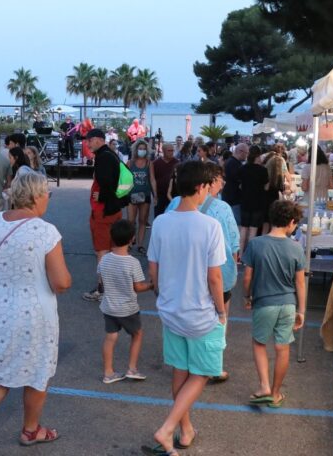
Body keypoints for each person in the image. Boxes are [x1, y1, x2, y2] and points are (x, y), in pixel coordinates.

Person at [0, 172, 71, 448]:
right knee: (37, 373)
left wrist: (0, 274)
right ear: (36, 196)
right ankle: (30, 430)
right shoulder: (45, 231)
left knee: (0, 366)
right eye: (46, 193)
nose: (48, 198)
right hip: (36, 313)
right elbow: (61, 282)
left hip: (0, 307)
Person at [146, 160, 226, 454]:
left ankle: (185, 429)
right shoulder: (209, 226)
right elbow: (214, 277)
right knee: (202, 373)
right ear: (201, 187)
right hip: (200, 312)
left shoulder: (162, 222)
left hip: (170, 309)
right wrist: (221, 311)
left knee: (180, 370)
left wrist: (162, 294)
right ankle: (168, 428)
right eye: (208, 186)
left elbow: (153, 268)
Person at [164, 161, 239, 385]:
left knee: (186, 316)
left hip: (180, 275)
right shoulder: (222, 209)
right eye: (217, 180)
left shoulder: (174, 205)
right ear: (205, 184)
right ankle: (211, 365)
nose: (220, 184)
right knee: (218, 318)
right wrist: (233, 268)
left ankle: (185, 362)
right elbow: (233, 244)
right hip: (216, 272)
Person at [242, 200, 306, 409]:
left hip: (264, 303)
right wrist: (301, 310)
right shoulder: (296, 248)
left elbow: (247, 277)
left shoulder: (256, 244)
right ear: (290, 222)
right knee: (282, 347)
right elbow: (300, 283)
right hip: (288, 303)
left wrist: (247, 296)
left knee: (259, 343)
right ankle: (276, 393)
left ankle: (264, 387)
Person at [98, 219, 152, 384]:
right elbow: (138, 287)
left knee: (110, 337)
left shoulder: (104, 259)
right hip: (128, 308)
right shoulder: (132, 263)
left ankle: (108, 372)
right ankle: (132, 368)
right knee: (137, 334)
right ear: (131, 239)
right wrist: (151, 285)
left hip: (109, 307)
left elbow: (101, 282)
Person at [83, 128, 130, 302]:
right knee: (115, 249)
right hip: (114, 209)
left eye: (89, 141)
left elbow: (107, 182)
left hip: (104, 211)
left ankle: (102, 289)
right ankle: (116, 285)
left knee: (102, 250)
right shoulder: (112, 155)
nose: (87, 144)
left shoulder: (103, 157)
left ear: (96, 140)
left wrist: (101, 195)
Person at [239, 145, 269, 253]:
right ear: (259, 156)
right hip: (258, 203)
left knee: (243, 229)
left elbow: (240, 186)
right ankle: (249, 255)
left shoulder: (242, 168)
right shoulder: (263, 170)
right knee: (253, 230)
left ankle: (240, 254)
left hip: (245, 201)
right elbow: (266, 187)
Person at [127, 140, 152, 253]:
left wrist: (154, 195)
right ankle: (130, 242)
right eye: (140, 148)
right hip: (132, 194)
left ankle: (140, 244)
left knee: (142, 220)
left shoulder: (149, 163)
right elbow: (124, 180)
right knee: (131, 220)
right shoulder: (130, 163)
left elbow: (152, 179)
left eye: (144, 149)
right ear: (136, 149)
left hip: (145, 194)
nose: (142, 150)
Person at [222, 143, 248, 225]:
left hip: (230, 196)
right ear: (240, 151)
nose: (246, 155)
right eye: (246, 153)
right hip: (233, 199)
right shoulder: (234, 164)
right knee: (236, 223)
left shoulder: (231, 162)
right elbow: (237, 180)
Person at [150, 143, 178, 219]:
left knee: (172, 216)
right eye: (169, 150)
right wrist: (154, 195)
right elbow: (152, 179)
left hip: (173, 195)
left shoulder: (177, 163)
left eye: (173, 150)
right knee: (158, 215)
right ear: (163, 151)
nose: (171, 152)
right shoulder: (155, 163)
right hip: (160, 194)